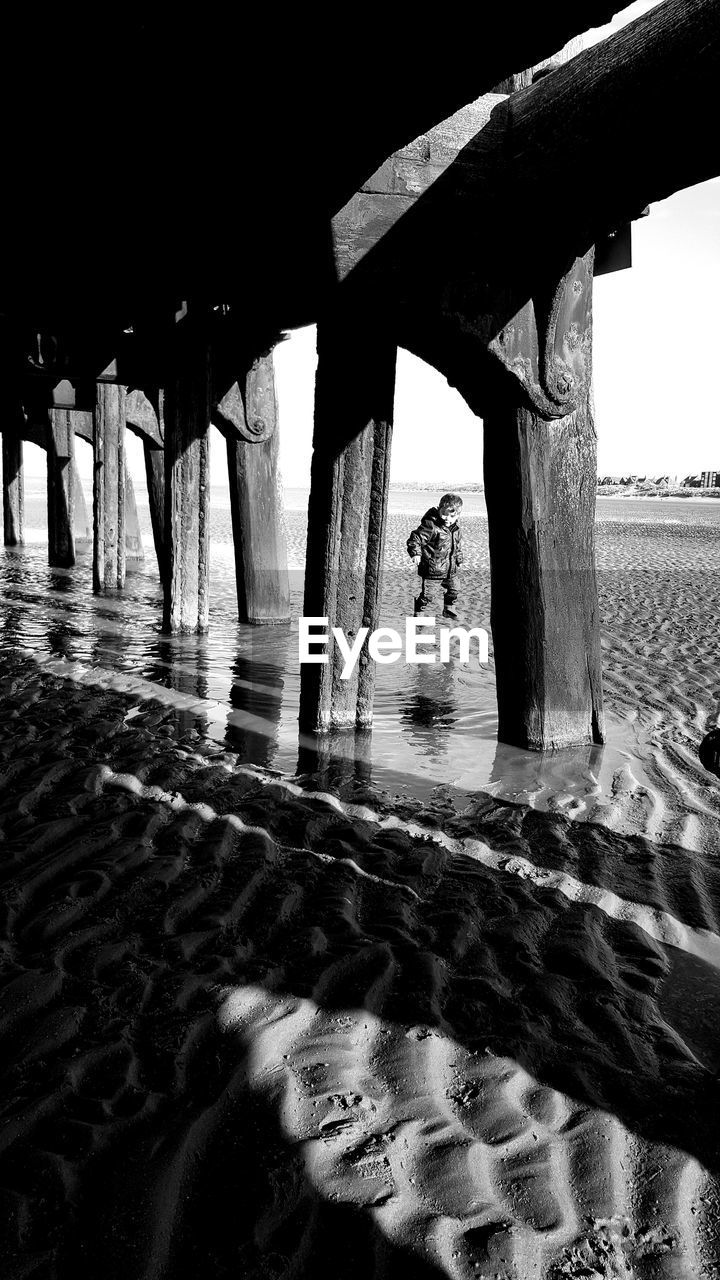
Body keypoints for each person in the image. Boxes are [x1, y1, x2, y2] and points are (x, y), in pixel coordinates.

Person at [406, 493, 464, 619]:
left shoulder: (456, 529)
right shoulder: (431, 526)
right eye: (444, 514)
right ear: (438, 509)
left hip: (450, 569)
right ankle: (418, 613)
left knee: (455, 588)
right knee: (429, 595)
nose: (447, 518)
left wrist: (458, 557)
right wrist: (416, 553)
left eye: (452, 516)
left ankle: (448, 609)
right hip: (433, 569)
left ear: (458, 515)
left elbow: (456, 546)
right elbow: (415, 538)